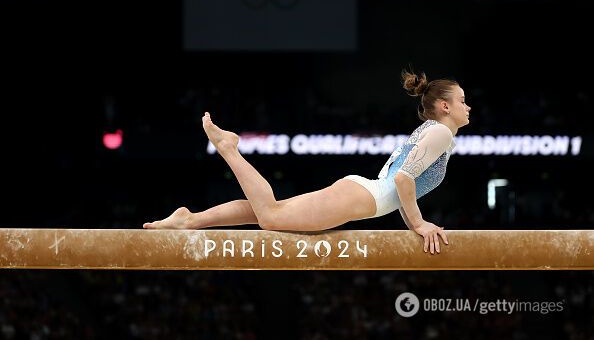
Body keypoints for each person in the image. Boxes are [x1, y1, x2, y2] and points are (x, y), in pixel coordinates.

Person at [143, 70, 471, 254]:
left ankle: (189, 220)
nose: (467, 107)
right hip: (362, 197)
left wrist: (411, 219)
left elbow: (402, 184)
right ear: (443, 106)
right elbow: (402, 181)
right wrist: (418, 224)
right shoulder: (440, 134)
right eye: (462, 101)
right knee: (270, 216)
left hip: (362, 194)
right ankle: (229, 149)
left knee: (267, 212)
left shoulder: (434, 132)